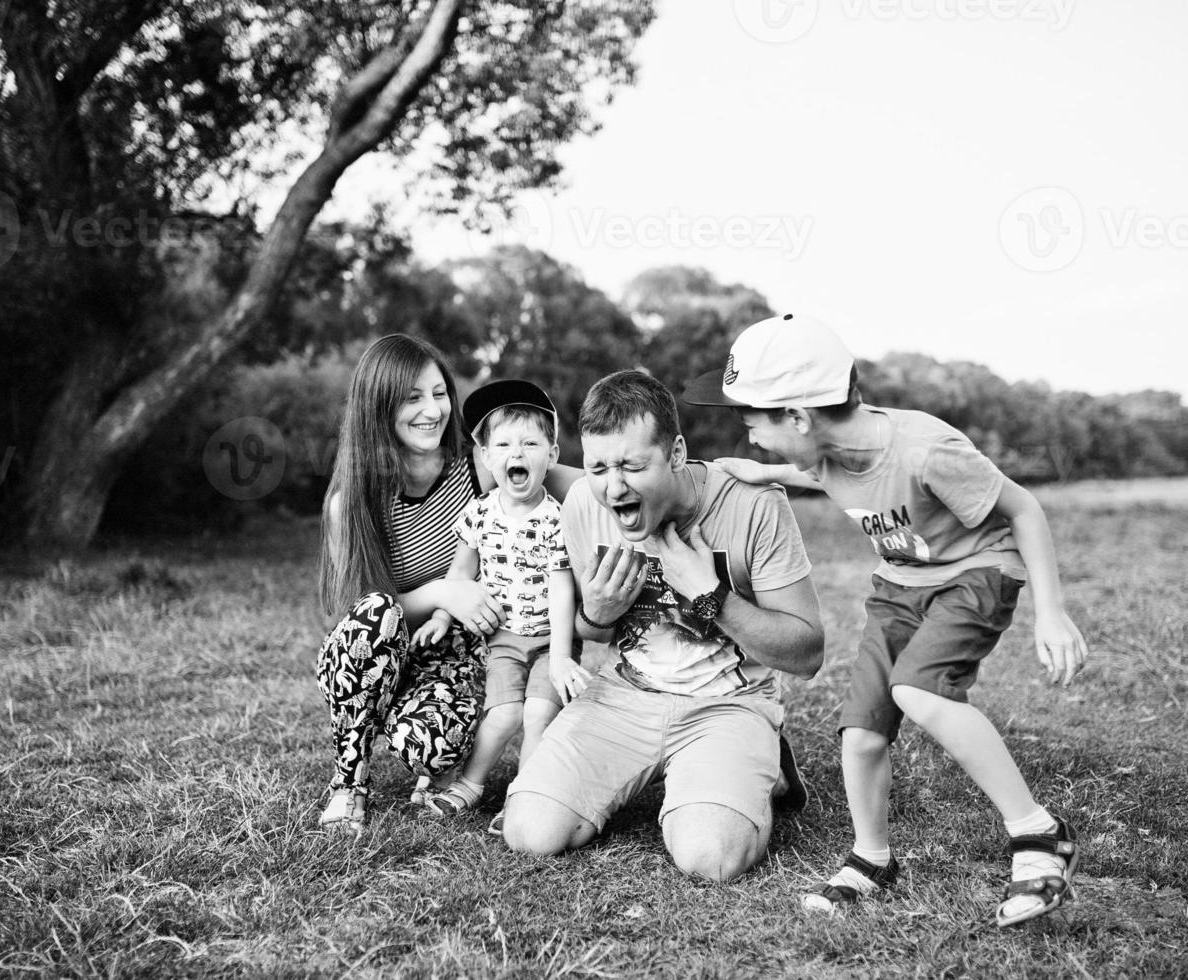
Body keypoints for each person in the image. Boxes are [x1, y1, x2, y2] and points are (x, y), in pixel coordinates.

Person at [684, 312, 1089, 926]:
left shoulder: (927, 450)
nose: (753, 442)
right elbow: (813, 469)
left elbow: (1023, 508)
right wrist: (764, 473)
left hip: (976, 571)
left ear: (798, 417)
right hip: (901, 586)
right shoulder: (823, 449)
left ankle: (1038, 833)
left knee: (917, 691)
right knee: (863, 730)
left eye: (754, 428)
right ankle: (872, 859)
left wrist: (1051, 613)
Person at [503, 369, 825, 883]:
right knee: (529, 833)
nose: (614, 487)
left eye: (632, 466)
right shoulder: (586, 505)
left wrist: (713, 597)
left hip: (728, 705)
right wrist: (597, 615)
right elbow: (593, 631)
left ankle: (755, 766)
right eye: (599, 467)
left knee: (710, 858)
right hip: (624, 695)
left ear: (676, 453)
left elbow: (807, 653)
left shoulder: (754, 506)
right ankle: (689, 778)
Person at [314, 335, 579, 835]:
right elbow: (352, 620)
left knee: (432, 747)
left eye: (439, 394)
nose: (432, 411)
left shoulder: (480, 468)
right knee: (374, 614)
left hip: (447, 655)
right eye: (413, 398)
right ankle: (349, 784)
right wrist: (443, 593)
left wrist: (690, 478)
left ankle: (433, 757)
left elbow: (596, 482)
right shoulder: (350, 502)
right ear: (380, 407)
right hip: (377, 660)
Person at [414, 380, 590, 834]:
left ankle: (523, 796)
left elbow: (561, 588)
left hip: (552, 639)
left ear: (551, 456)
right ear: (488, 457)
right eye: (505, 444)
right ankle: (470, 785)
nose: (518, 452)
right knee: (505, 714)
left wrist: (564, 655)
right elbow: (461, 574)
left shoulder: (556, 517)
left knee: (538, 713)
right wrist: (439, 614)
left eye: (531, 443)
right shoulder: (478, 513)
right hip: (504, 641)